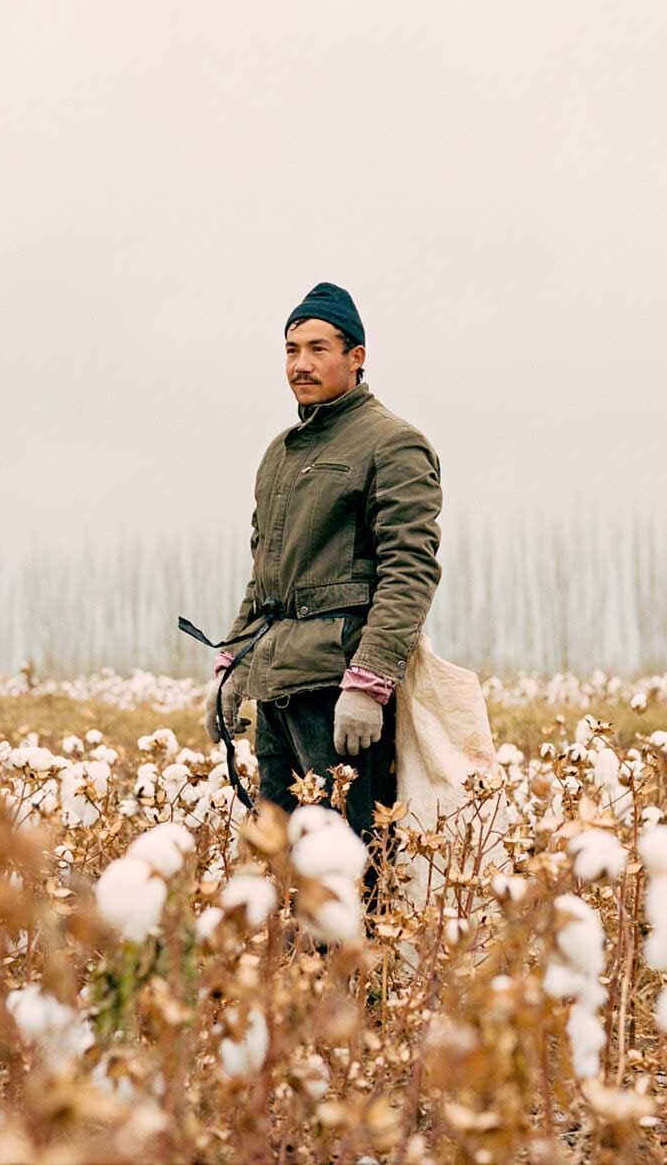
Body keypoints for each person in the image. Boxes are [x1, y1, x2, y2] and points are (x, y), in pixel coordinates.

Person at [204, 282, 443, 900]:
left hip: (339, 693)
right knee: (283, 872)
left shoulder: (393, 443)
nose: (300, 365)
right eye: (291, 350)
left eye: (318, 349)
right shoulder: (279, 455)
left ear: (356, 357)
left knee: (351, 874)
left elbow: (409, 570)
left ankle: (363, 969)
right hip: (277, 688)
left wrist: (369, 682)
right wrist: (231, 667)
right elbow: (265, 576)